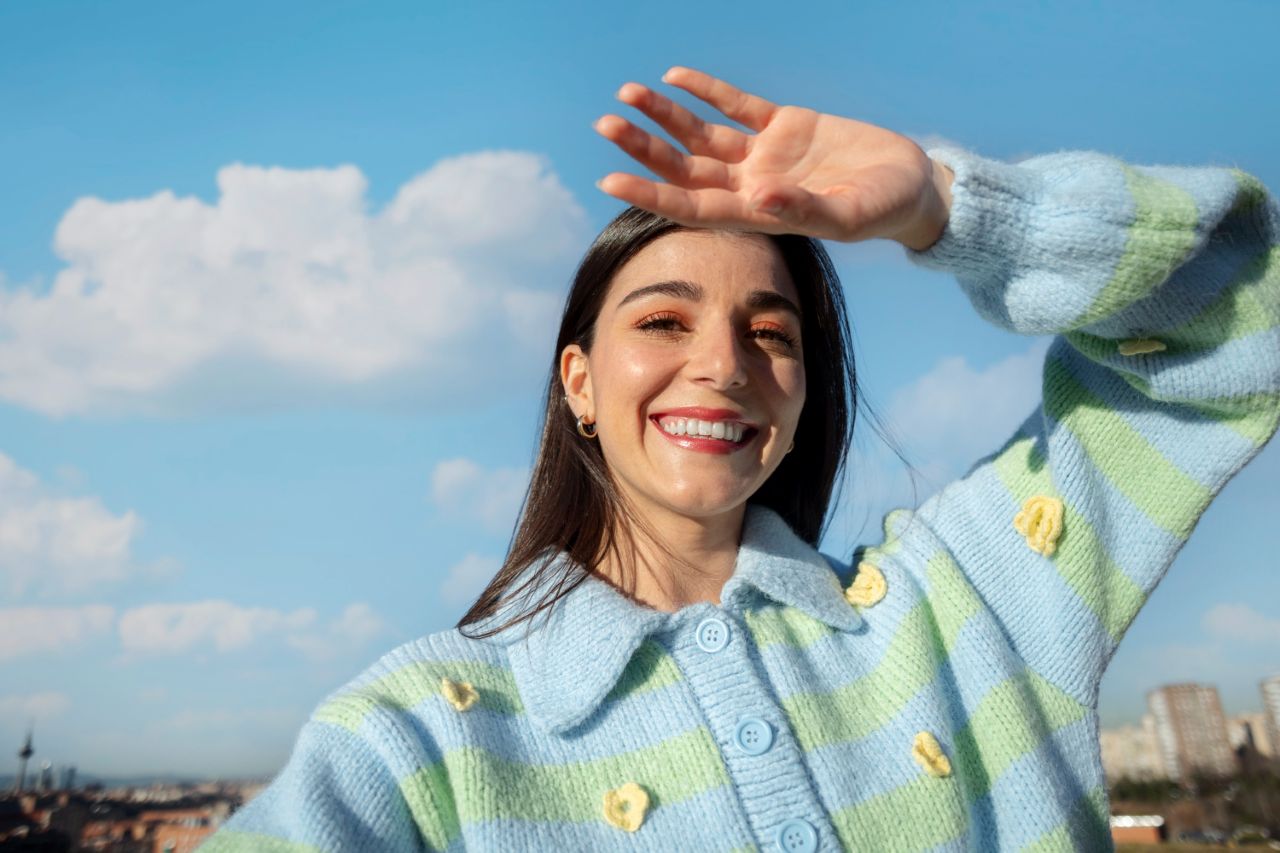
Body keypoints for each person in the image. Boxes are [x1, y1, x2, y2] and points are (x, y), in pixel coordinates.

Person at [200, 67, 1279, 851]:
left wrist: (947, 207)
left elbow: (1245, 316)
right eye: (663, 322)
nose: (721, 365)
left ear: (804, 393)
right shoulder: (418, 739)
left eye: (770, 333)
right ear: (577, 380)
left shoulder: (962, 606)